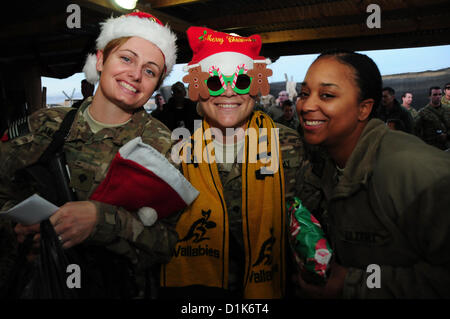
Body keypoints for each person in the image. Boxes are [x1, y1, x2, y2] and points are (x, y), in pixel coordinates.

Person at [0, 11, 180, 299]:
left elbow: (170, 242)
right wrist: (16, 228)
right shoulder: (42, 126)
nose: (135, 74)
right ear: (99, 60)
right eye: (126, 58)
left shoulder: (162, 147)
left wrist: (102, 221)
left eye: (150, 70)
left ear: (155, 84)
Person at [159, 26, 307, 298]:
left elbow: (308, 223)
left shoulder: (290, 146)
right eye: (214, 82)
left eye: (242, 81)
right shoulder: (177, 155)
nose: (228, 93)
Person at [293, 49, 450, 298]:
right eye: (304, 93)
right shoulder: (330, 164)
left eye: (327, 95)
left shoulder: (415, 172)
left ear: (364, 109)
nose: (306, 105)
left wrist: (352, 284)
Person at [415, 86, 450, 150]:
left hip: (447, 145)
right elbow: (416, 131)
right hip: (432, 147)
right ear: (429, 96)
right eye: (435, 95)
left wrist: (447, 135)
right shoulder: (423, 112)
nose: (438, 97)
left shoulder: (447, 110)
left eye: (440, 94)